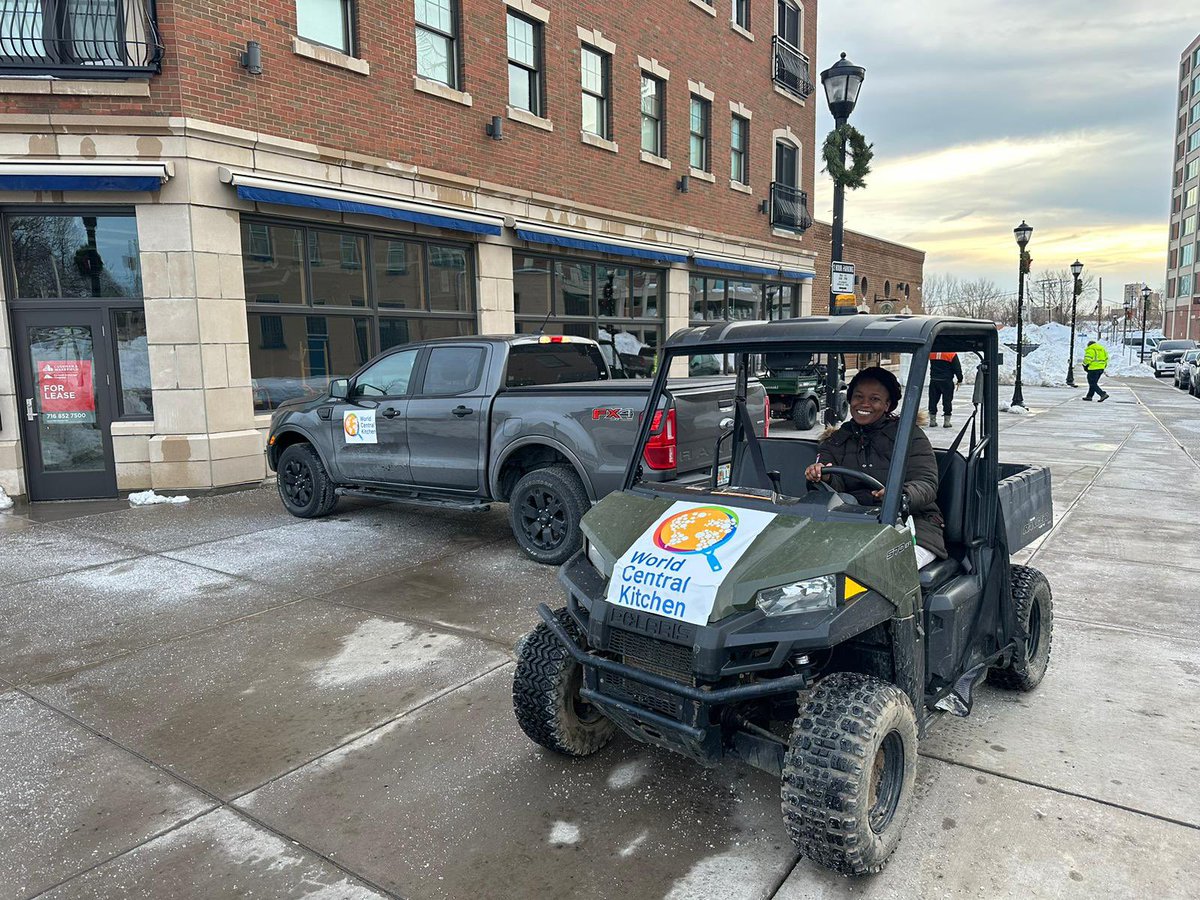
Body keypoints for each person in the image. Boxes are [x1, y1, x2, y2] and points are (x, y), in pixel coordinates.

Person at [803, 366, 946, 568]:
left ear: (887, 405)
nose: (864, 404)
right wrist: (822, 476)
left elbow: (926, 483)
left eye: (875, 399)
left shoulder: (909, 436)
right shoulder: (836, 440)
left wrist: (899, 495)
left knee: (884, 569)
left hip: (911, 524)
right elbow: (834, 486)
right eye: (858, 397)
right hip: (851, 523)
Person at [928, 351, 964, 428]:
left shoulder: (932, 353)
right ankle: (946, 422)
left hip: (934, 380)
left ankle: (932, 421)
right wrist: (960, 379)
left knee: (933, 400)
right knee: (947, 400)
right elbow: (957, 367)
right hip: (947, 381)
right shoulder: (951, 354)